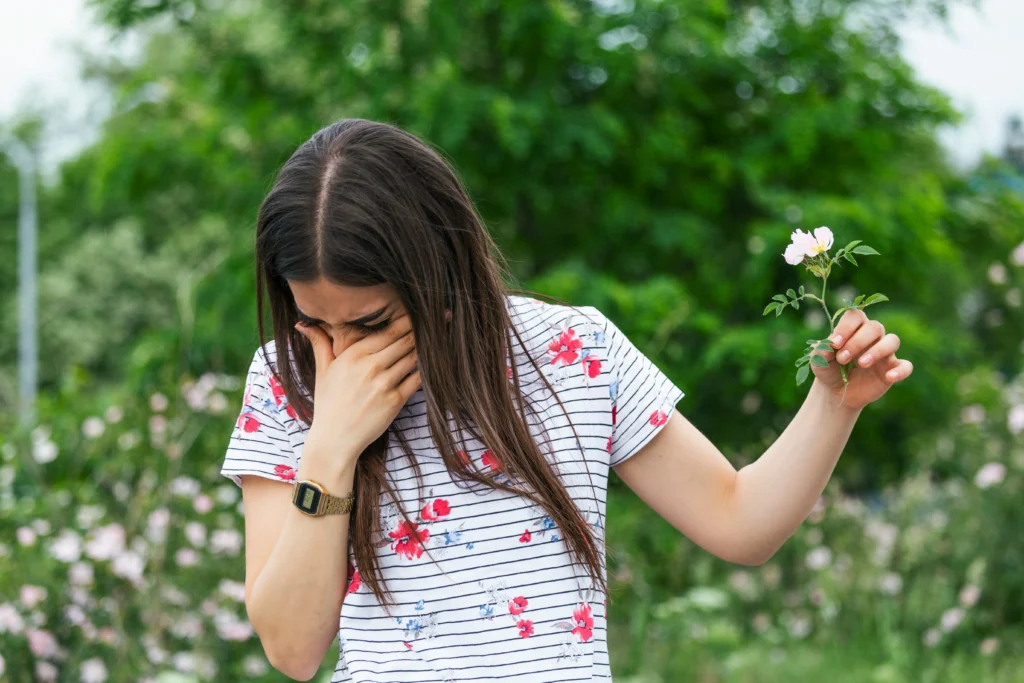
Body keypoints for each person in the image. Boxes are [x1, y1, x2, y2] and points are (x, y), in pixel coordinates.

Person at [220, 119, 913, 683]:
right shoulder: (287, 380)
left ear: (435, 266)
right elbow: (292, 648)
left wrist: (835, 405)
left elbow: (740, 521)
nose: (341, 352)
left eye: (370, 323)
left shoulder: (571, 350)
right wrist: (331, 447)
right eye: (318, 323)